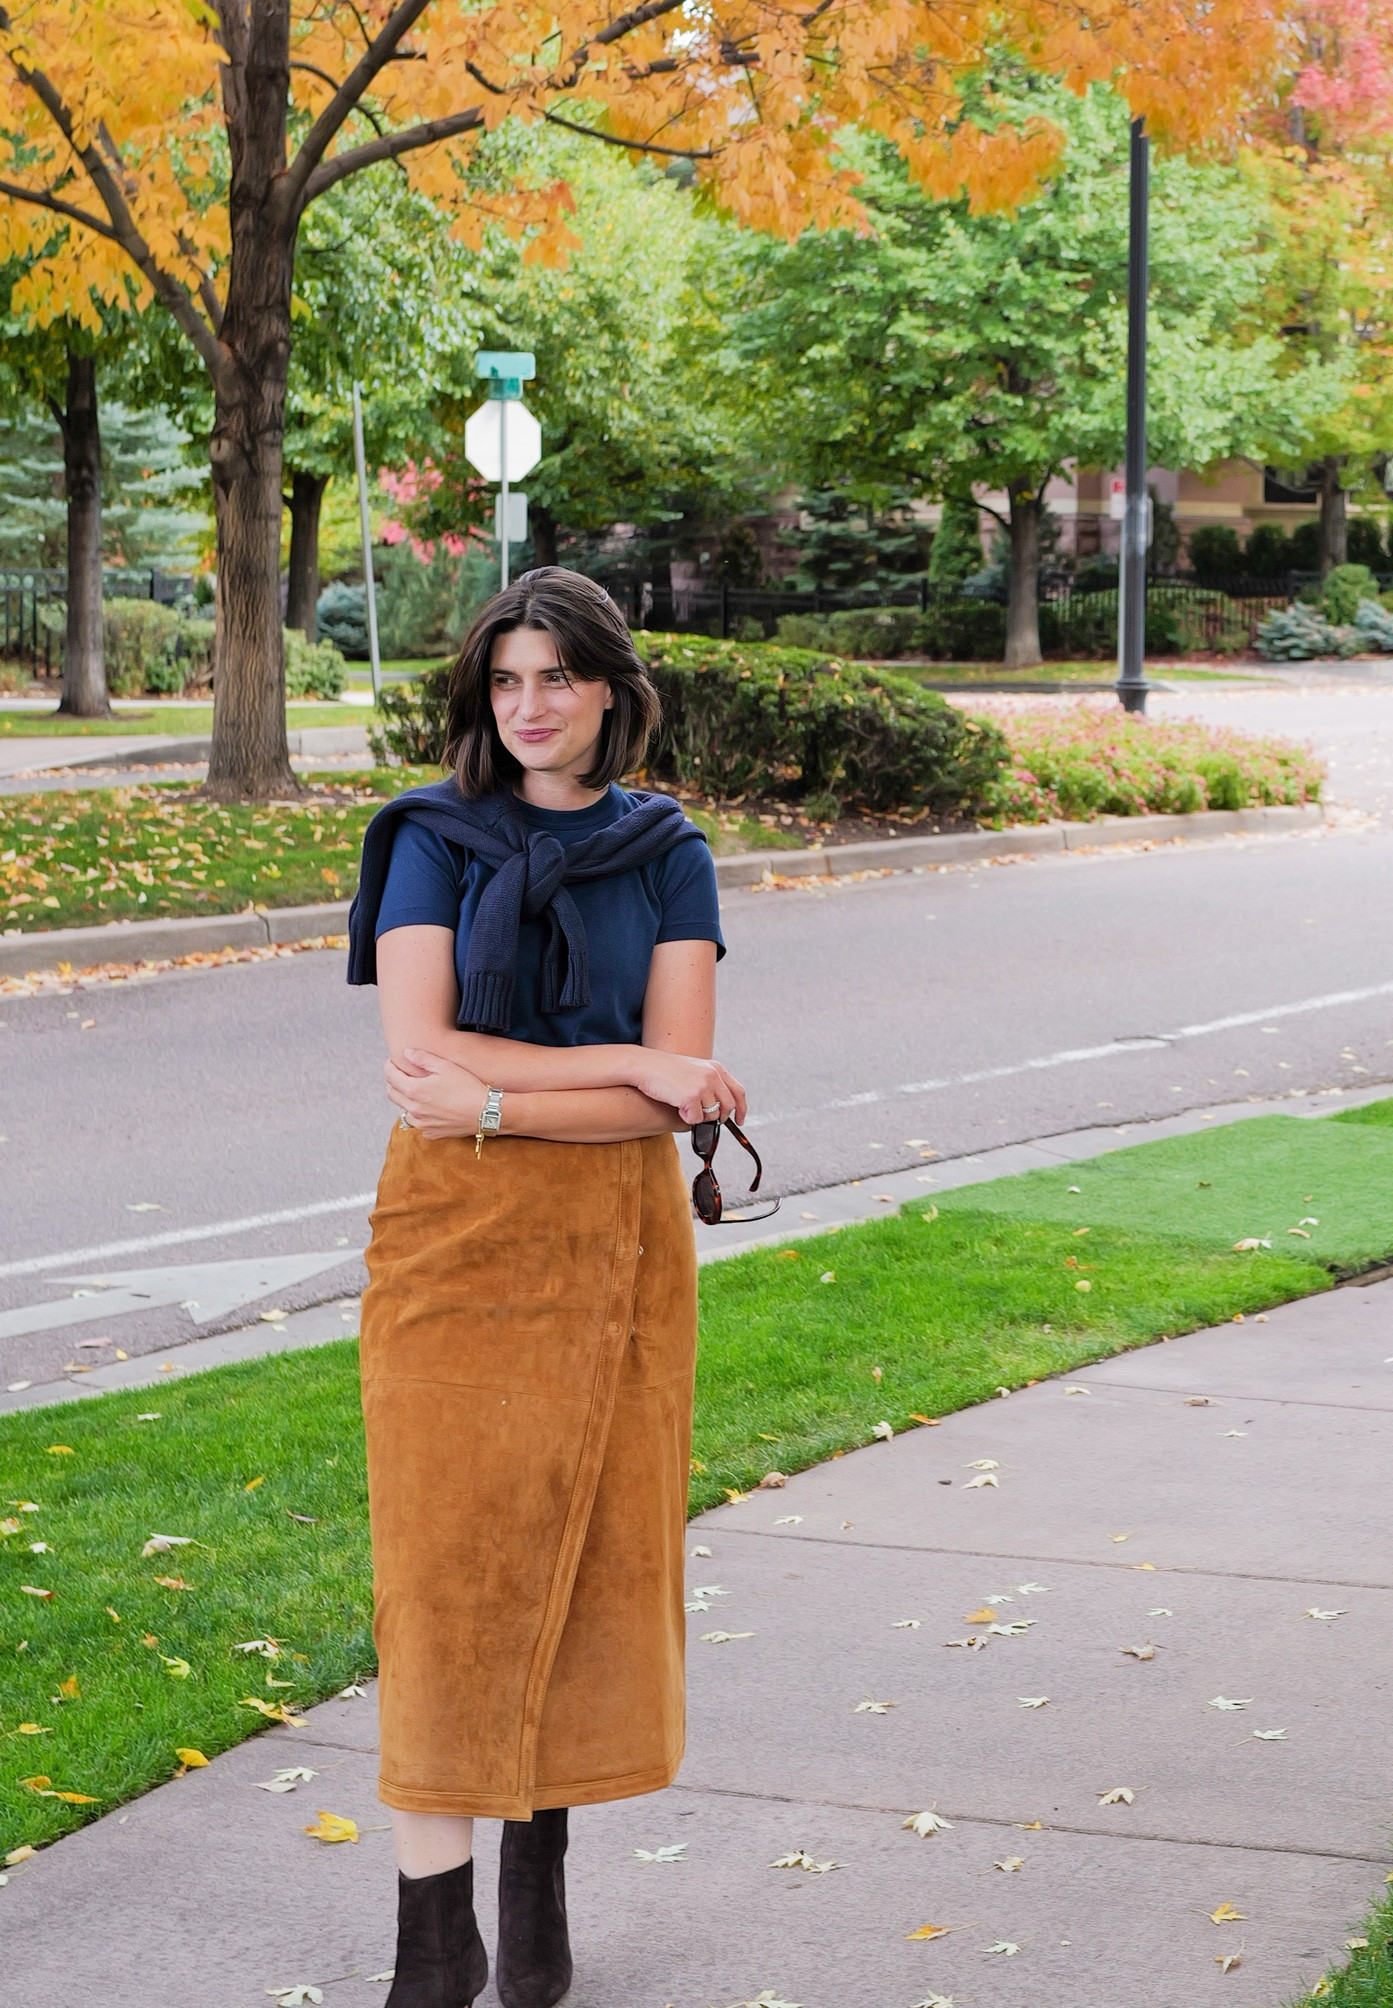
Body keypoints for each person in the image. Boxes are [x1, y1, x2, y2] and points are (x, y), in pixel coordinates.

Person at [346, 567, 746, 2008]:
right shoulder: (429, 839)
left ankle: (541, 1898)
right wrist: (630, 1063)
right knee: (443, 1582)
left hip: (618, 1250)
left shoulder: (666, 852)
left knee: (586, 1570)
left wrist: (531, 1100)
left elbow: (671, 1102)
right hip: (449, 1244)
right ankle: (433, 1946)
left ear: (610, 691)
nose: (531, 709)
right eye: (507, 681)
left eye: (559, 679)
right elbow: (422, 1050)